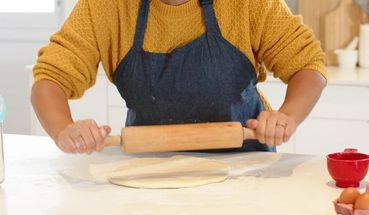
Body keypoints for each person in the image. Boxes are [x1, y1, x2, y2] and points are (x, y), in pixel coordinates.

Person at [31, 0, 327, 154]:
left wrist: (287, 116)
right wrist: (63, 130)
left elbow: (307, 65)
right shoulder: (107, 7)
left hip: (245, 163)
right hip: (147, 169)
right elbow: (50, 79)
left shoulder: (246, 4)